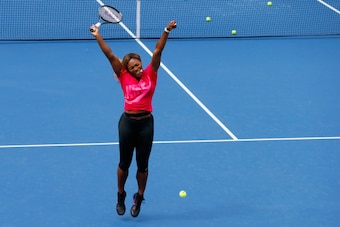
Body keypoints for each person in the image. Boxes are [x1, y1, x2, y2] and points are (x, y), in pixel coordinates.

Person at [90, 20, 177, 218]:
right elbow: (110, 55)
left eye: (138, 64)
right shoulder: (123, 76)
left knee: (143, 165)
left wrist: (166, 31)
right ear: (126, 70)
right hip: (127, 124)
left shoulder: (151, 74)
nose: (138, 68)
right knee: (124, 164)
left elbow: (157, 52)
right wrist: (97, 36)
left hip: (146, 124)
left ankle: (139, 197)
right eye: (133, 66)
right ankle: (121, 195)